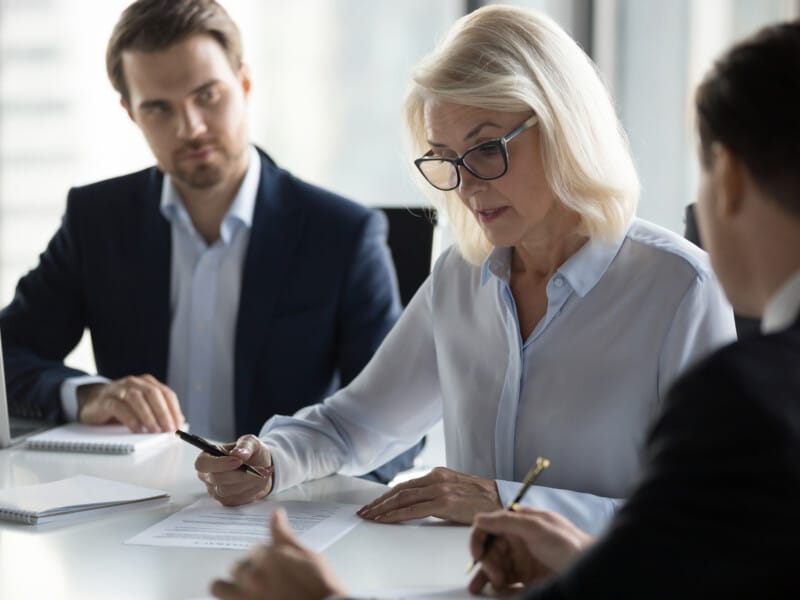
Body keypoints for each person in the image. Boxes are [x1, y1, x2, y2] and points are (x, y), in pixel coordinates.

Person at [208, 18, 800, 600]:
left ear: (563, 128)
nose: (467, 186)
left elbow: (702, 531)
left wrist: (509, 500)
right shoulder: (462, 276)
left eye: (487, 149)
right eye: (446, 157)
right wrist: (271, 459)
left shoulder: (679, 287)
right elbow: (355, 424)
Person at [0, 0, 421, 484]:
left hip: (284, 513)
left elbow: (396, 431)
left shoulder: (343, 234)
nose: (190, 127)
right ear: (131, 113)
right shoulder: (97, 220)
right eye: (159, 108)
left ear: (244, 83)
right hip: (132, 512)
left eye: (208, 95)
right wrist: (88, 396)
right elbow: (9, 355)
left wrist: (305, 486)